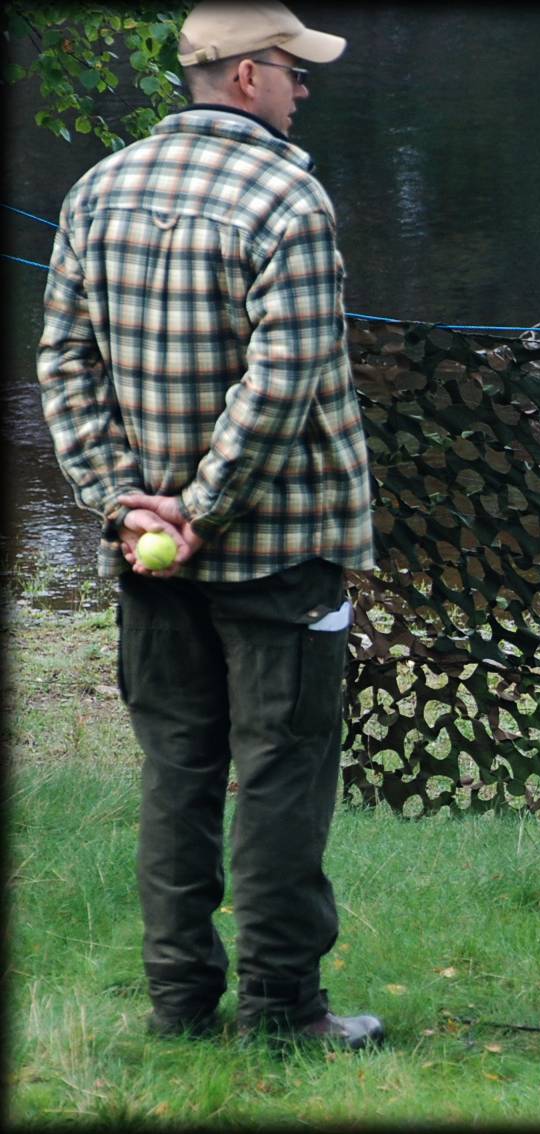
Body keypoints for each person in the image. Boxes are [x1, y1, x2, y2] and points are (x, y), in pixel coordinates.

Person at [36, 1, 381, 1049]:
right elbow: (286, 382)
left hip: (152, 560)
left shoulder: (96, 190)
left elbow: (63, 366)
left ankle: (180, 1006)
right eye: (291, 69)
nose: (302, 87)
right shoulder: (289, 197)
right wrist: (200, 505)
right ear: (244, 78)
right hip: (279, 552)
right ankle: (284, 1014)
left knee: (177, 771)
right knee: (280, 773)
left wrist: (122, 500)